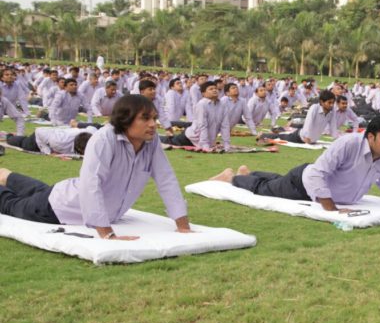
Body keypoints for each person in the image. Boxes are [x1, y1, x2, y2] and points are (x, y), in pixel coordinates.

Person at [0, 95, 191, 239]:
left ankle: (6, 175)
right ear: (125, 120)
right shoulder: (104, 139)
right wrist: (107, 233)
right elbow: (91, 184)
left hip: (65, 190)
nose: (152, 124)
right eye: (145, 118)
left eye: (154, 118)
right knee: (11, 203)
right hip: (60, 209)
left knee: (40, 189)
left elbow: (166, 179)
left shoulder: (151, 141)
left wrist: (183, 225)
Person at [209, 116, 380, 212]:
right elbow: (317, 175)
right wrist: (331, 209)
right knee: (264, 188)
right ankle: (233, 178)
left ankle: (248, 173)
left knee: (277, 180)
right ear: (370, 137)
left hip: (304, 179)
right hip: (304, 187)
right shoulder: (348, 144)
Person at [160, 81, 230, 151]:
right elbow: (202, 125)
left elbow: (225, 125)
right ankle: (157, 137)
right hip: (190, 138)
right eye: (211, 89)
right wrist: (204, 145)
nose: (214, 90)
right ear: (203, 94)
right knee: (167, 141)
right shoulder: (202, 104)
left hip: (207, 140)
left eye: (215, 88)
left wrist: (226, 144)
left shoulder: (222, 105)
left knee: (170, 138)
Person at [257, 90, 337, 144]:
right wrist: (307, 137)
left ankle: (269, 133)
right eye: (329, 102)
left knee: (283, 135)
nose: (331, 105)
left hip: (312, 140)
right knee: (281, 137)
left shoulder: (332, 111)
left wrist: (336, 140)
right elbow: (309, 123)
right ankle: (263, 135)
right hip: (301, 136)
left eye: (333, 103)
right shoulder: (314, 108)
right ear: (321, 102)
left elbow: (333, 127)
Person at [6, 127, 95, 156]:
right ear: (78, 147)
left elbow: (92, 127)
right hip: (38, 139)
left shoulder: (93, 135)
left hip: (55, 133)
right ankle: (9, 137)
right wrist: (48, 152)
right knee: (23, 143)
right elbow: (39, 131)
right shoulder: (59, 142)